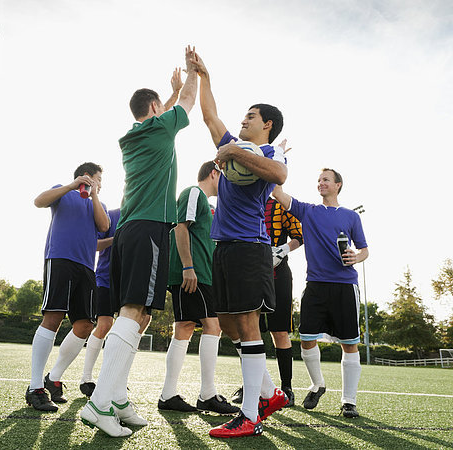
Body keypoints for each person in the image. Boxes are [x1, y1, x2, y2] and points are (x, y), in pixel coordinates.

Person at [79, 46, 199, 437]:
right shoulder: (161, 126)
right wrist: (192, 75)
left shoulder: (135, 133)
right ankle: (99, 404)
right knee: (132, 312)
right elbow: (186, 103)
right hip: (148, 227)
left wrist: (165, 96)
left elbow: (162, 111)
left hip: (132, 231)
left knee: (141, 316)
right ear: (153, 108)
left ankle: (116, 398)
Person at [190, 51, 289, 438]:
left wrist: (231, 151)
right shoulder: (235, 144)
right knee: (229, 322)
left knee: (248, 325)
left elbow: (280, 173)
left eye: (251, 116)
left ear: (267, 124)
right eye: (244, 115)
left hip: (251, 247)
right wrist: (204, 78)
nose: (243, 119)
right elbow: (210, 118)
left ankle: (250, 416)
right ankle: (269, 393)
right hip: (224, 248)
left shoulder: (267, 152)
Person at [272, 168, 369, 418]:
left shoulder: (351, 217)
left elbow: (364, 250)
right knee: (306, 338)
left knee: (350, 345)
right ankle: (318, 385)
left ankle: (349, 401)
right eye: (318, 180)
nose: (320, 183)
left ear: (338, 185)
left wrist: (356, 257)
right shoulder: (308, 211)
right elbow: (277, 192)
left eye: (326, 179)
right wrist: (275, 160)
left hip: (345, 286)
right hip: (315, 284)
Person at [25, 162, 109, 412]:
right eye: (98, 179)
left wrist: (93, 194)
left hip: (86, 268)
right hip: (60, 260)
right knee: (53, 318)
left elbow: (103, 227)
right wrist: (73, 185)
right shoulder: (63, 192)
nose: (100, 183)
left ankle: (53, 378)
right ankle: (35, 387)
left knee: (85, 325)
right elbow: (39, 201)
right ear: (85, 177)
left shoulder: (99, 205)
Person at [158, 161, 239, 415]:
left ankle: (168, 394)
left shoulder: (209, 205)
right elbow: (180, 227)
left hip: (203, 275)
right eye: (223, 176)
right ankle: (207, 394)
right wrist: (187, 267)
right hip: (193, 274)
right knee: (212, 326)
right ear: (214, 173)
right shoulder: (194, 192)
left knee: (185, 327)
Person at [232, 196, 303, 407]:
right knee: (249, 330)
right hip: (249, 272)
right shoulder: (244, 202)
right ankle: (252, 386)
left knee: (279, 331)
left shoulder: (281, 203)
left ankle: (287, 387)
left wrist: (283, 250)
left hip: (278, 274)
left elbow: (299, 234)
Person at [79, 208, 120, 397]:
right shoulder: (110, 216)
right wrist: (117, 238)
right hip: (105, 279)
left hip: (129, 283)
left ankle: (115, 381)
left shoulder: (143, 215)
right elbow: (94, 245)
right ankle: (86, 379)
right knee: (104, 324)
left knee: (129, 328)